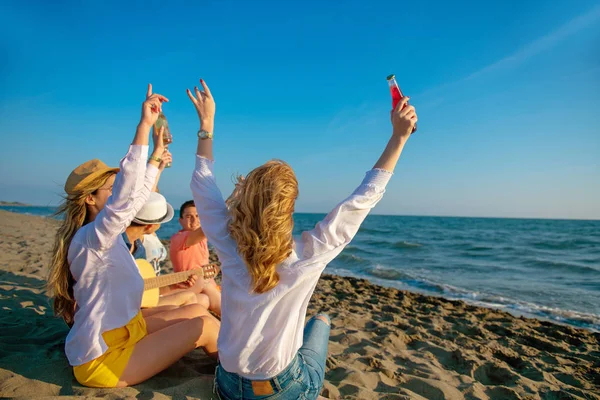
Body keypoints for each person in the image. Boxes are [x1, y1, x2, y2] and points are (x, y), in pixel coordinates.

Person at [186, 79, 418, 399]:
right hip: (280, 390)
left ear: (245, 197)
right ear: (289, 208)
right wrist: (399, 137)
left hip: (227, 383)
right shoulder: (308, 254)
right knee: (320, 321)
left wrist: (206, 124)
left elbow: (203, 183)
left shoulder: (227, 240)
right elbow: (362, 199)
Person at [46, 84, 219, 389]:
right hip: (104, 358)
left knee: (196, 308)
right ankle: (248, 384)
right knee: (205, 326)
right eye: (109, 191)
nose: (116, 197)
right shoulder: (92, 238)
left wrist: (155, 156)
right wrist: (143, 127)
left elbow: (136, 198)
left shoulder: (102, 236)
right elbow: (126, 201)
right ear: (89, 199)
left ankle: (237, 363)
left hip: (127, 330)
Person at [124, 191, 211, 309]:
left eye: (198, 216)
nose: (195, 220)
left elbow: (149, 285)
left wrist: (174, 284)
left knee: (203, 299)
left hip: (152, 291)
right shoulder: (133, 246)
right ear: (150, 226)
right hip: (139, 302)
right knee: (197, 293)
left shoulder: (142, 244)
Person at [170, 200, 222, 315]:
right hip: (188, 288)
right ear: (181, 221)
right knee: (205, 283)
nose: (194, 220)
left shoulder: (202, 239)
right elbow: (209, 227)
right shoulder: (179, 239)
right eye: (189, 216)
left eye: (198, 216)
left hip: (207, 288)